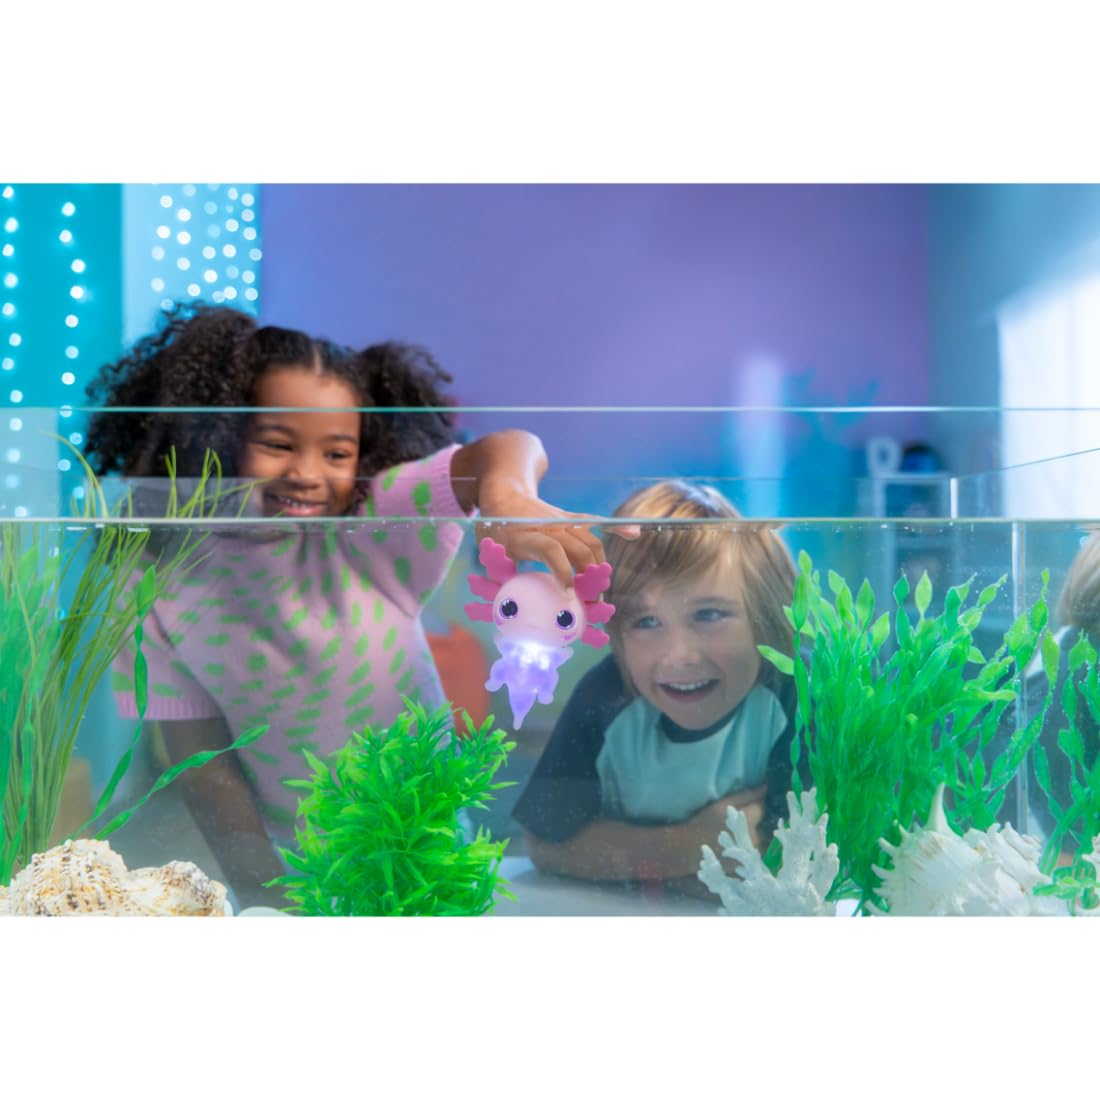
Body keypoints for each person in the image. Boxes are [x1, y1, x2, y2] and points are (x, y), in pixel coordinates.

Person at [84, 302, 614, 908]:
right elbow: (202, 765)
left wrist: (508, 499)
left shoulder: (370, 523)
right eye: (277, 443)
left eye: (337, 453)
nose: (308, 473)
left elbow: (509, 446)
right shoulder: (158, 571)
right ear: (218, 432)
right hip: (298, 863)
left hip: (430, 846)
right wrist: (265, 895)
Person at [511, 479, 799, 892]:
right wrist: (683, 847)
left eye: (709, 615)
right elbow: (544, 845)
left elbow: (816, 852)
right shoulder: (605, 698)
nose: (678, 656)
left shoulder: (794, 695)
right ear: (617, 633)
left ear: (765, 616)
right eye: (646, 622)